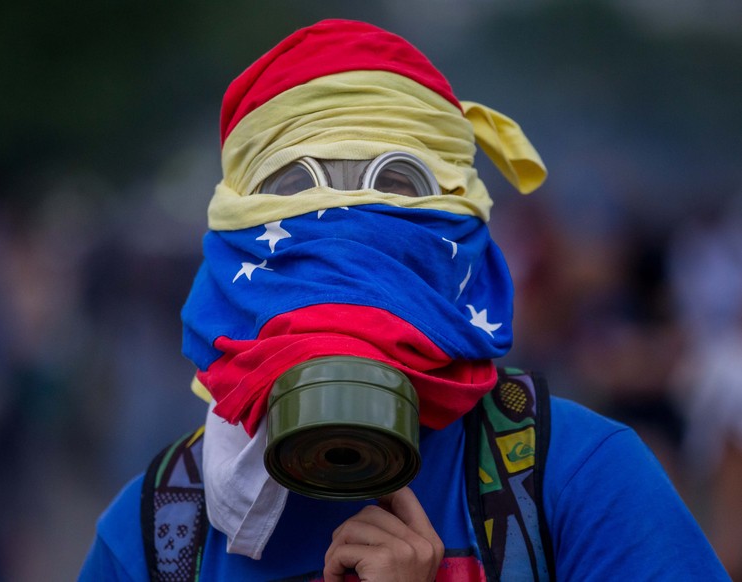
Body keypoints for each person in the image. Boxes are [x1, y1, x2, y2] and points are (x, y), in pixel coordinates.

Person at [79, 19, 729, 581]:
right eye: (294, 184)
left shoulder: (575, 480)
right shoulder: (160, 535)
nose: (345, 222)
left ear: (464, 221)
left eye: (395, 182)